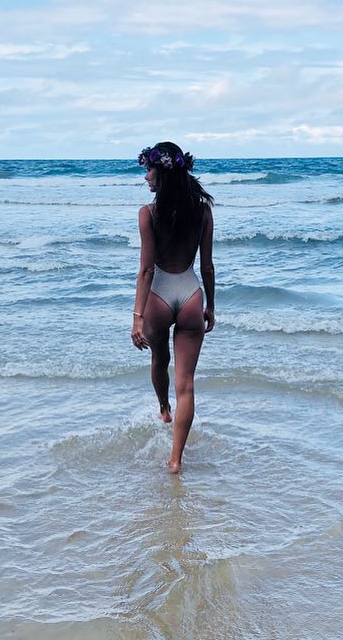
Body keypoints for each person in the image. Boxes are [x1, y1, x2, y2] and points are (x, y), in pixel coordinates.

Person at [131, 141, 215, 473]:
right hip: (191, 294)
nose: (146, 177)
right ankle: (176, 460)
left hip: (159, 296)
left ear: (162, 173)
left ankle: (164, 408)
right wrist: (210, 305)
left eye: (149, 170)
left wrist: (137, 317)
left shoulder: (148, 214)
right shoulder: (203, 211)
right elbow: (207, 266)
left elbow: (146, 271)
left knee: (159, 358)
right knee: (187, 384)